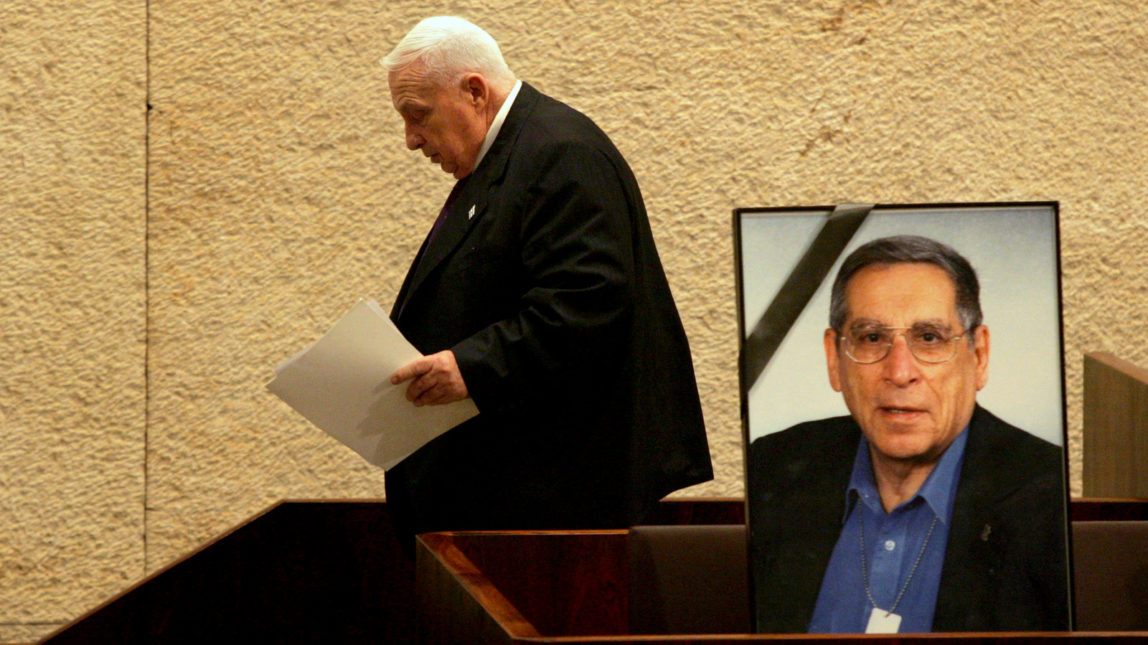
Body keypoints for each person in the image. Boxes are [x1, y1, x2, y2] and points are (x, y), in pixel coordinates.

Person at [380, 17, 713, 546]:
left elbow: (589, 304)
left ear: (473, 91)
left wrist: (469, 366)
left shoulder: (560, 154)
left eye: (418, 116)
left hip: (558, 504)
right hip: (519, 492)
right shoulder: (511, 159)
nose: (411, 140)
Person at [748, 235, 1068, 633]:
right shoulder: (773, 467)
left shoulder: (1050, 494)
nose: (900, 372)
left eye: (929, 338)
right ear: (834, 360)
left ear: (979, 356)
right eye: (871, 338)